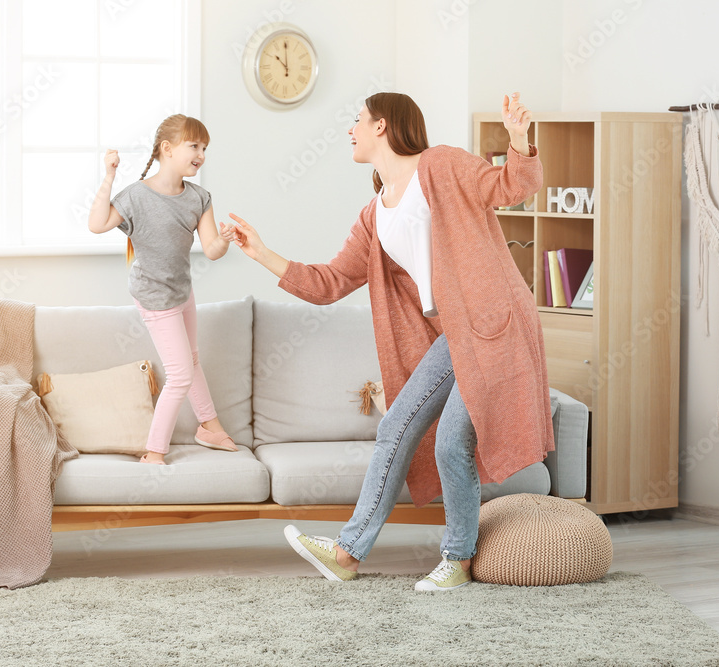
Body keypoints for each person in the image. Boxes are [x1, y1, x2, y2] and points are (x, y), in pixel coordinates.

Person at [230, 92, 555, 591]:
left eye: (357, 120)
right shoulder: (374, 214)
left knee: (451, 443)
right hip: (454, 335)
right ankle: (347, 553)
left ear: (382, 125)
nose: (350, 130)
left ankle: (457, 561)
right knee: (395, 427)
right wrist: (261, 253)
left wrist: (517, 140)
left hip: (493, 328)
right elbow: (330, 282)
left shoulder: (440, 166)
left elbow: (510, 186)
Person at [88, 114, 239, 465]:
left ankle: (210, 427)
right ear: (167, 149)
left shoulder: (199, 197)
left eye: (205, 148)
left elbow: (212, 249)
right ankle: (154, 451)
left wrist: (226, 240)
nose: (201, 154)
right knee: (181, 374)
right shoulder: (136, 196)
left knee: (192, 359)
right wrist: (109, 175)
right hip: (155, 297)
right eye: (194, 146)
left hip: (181, 291)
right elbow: (97, 224)